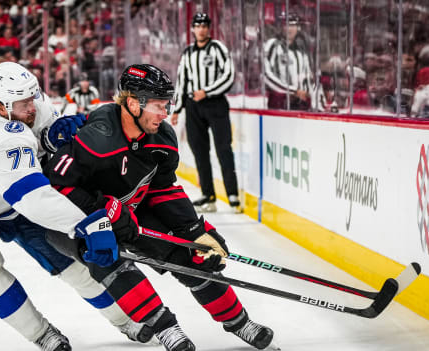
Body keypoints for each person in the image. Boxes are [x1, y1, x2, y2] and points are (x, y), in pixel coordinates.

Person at [44, 64, 275, 351]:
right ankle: (165, 328)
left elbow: (164, 189)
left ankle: (240, 323)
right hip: (76, 221)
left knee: (192, 256)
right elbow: (56, 187)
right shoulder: (96, 136)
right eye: (158, 105)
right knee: (108, 258)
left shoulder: (163, 139)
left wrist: (194, 230)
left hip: (130, 212)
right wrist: (100, 209)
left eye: (166, 105)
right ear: (132, 103)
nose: (165, 114)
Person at [0, 62, 152, 350]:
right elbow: (33, 197)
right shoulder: (0, 137)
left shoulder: (24, 106)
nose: (32, 106)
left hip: (13, 203)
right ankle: (41, 334)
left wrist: (49, 136)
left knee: (72, 266)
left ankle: (126, 320)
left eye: (33, 97)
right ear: (0, 106)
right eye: (23, 103)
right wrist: (88, 224)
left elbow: (39, 139)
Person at [170, 13, 240, 213]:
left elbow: (229, 75)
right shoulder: (188, 53)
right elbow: (182, 81)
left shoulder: (218, 48)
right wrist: (177, 109)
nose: (201, 29)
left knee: (223, 149)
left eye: (204, 26)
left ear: (209, 28)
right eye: (197, 26)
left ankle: (232, 195)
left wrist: (207, 91)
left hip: (215, 104)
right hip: (194, 107)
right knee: (199, 151)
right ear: (192, 28)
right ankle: (208, 195)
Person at [264, 14, 325, 112]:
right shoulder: (273, 45)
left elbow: (310, 79)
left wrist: (317, 104)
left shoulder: (301, 50)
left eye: (293, 25)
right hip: (279, 105)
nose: (289, 29)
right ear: (281, 27)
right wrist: (293, 91)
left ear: (298, 28)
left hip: (301, 105)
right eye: (286, 25)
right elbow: (266, 75)